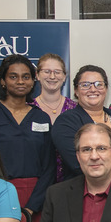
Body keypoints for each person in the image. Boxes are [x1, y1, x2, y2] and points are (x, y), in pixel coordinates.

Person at [0, 54, 54, 213]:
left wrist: (33, 206)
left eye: (26, 77)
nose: (20, 81)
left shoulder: (41, 117)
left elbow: (49, 165)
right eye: (13, 76)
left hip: (36, 196)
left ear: (33, 81)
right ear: (3, 81)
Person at [51, 65, 111, 181]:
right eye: (85, 85)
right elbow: (77, 164)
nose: (93, 89)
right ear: (76, 91)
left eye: (99, 84)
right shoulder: (66, 122)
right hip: (87, 192)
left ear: (106, 89)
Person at [31, 53, 77, 182]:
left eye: (57, 72)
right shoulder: (28, 109)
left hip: (72, 181)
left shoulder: (76, 109)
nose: (52, 76)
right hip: (37, 181)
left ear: (64, 77)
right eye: (47, 71)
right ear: (37, 75)